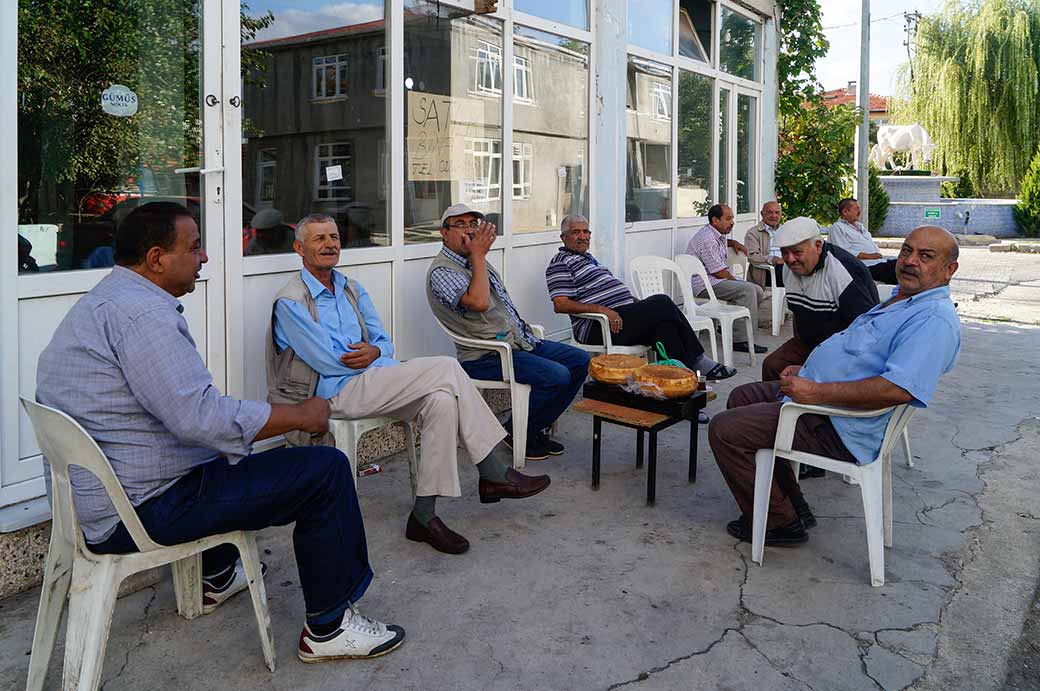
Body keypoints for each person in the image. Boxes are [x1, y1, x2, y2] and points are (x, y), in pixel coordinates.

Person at [35, 202, 405, 663]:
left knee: (224, 454)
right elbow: (200, 417)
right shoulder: (143, 318)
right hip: (142, 508)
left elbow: (183, 418)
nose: (205, 257)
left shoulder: (104, 301)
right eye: (194, 248)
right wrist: (296, 415)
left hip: (106, 497)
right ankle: (330, 627)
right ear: (156, 259)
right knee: (324, 469)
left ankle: (215, 574)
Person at [270, 213, 550, 555]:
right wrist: (371, 354)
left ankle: (423, 516)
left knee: (442, 402)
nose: (330, 244)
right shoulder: (291, 301)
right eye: (319, 239)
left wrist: (375, 350)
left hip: (377, 379)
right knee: (447, 368)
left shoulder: (351, 288)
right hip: (333, 392)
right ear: (300, 248)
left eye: (334, 237)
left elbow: (384, 342)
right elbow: (328, 361)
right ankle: (492, 470)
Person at [707, 226, 961, 547]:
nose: (910, 261)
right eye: (907, 251)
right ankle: (792, 504)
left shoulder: (932, 320)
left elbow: (898, 389)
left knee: (724, 430)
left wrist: (815, 391)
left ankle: (779, 524)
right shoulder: (903, 301)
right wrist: (810, 369)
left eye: (925, 256)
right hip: (827, 403)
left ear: (949, 269)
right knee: (743, 396)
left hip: (840, 423)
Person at [426, 203, 590, 461]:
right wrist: (478, 256)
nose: (469, 230)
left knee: (580, 361)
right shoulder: (443, 270)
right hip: (484, 356)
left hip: (518, 341)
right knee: (556, 375)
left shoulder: (477, 261)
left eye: (473, 224)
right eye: (460, 225)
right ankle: (519, 431)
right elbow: (478, 303)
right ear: (444, 233)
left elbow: (502, 308)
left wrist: (478, 258)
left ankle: (530, 427)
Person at [545, 214, 735, 381]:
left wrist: (637, 304)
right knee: (662, 301)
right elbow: (561, 304)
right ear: (563, 237)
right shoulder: (560, 263)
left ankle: (677, 390)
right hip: (599, 327)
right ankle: (698, 360)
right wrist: (604, 311)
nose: (583, 236)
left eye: (586, 232)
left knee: (665, 329)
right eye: (576, 232)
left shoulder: (590, 260)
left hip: (622, 319)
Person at [761, 216, 879, 381]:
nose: (790, 259)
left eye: (797, 252)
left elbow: (863, 330)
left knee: (809, 376)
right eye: (784, 252)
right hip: (809, 343)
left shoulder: (841, 269)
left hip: (845, 349)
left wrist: (818, 363)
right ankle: (778, 405)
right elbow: (798, 314)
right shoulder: (789, 268)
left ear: (817, 246)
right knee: (772, 365)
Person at [685, 204, 768, 354]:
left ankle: (730, 327)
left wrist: (734, 243)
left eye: (733, 218)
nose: (732, 222)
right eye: (728, 218)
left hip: (715, 280)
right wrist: (737, 282)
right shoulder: (707, 239)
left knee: (758, 291)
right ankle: (741, 340)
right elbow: (719, 272)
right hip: (705, 285)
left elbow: (722, 245)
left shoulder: (717, 234)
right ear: (715, 220)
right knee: (748, 289)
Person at [828, 198, 898, 284]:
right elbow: (843, 253)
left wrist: (876, 255)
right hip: (864, 267)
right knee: (897, 272)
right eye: (856, 208)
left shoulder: (860, 226)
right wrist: (870, 256)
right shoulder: (837, 227)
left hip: (879, 262)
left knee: (901, 264)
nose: (859, 211)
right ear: (845, 212)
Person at [744, 201, 784, 289]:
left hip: (786, 266)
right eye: (770, 212)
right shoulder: (754, 233)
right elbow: (752, 256)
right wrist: (774, 260)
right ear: (762, 214)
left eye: (777, 213)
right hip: (767, 271)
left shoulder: (785, 231)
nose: (774, 216)